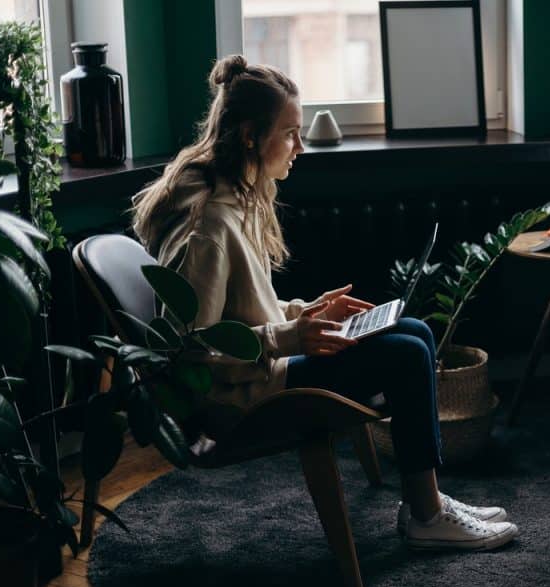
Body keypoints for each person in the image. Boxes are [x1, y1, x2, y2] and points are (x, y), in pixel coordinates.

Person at [132, 55, 518, 552]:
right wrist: (291, 336)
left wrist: (305, 312)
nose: (300, 145)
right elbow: (190, 353)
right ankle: (426, 513)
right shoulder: (210, 225)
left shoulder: (236, 194)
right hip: (240, 401)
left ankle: (428, 500)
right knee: (406, 354)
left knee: (416, 332)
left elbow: (243, 311)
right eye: (290, 133)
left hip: (264, 371)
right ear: (251, 135)